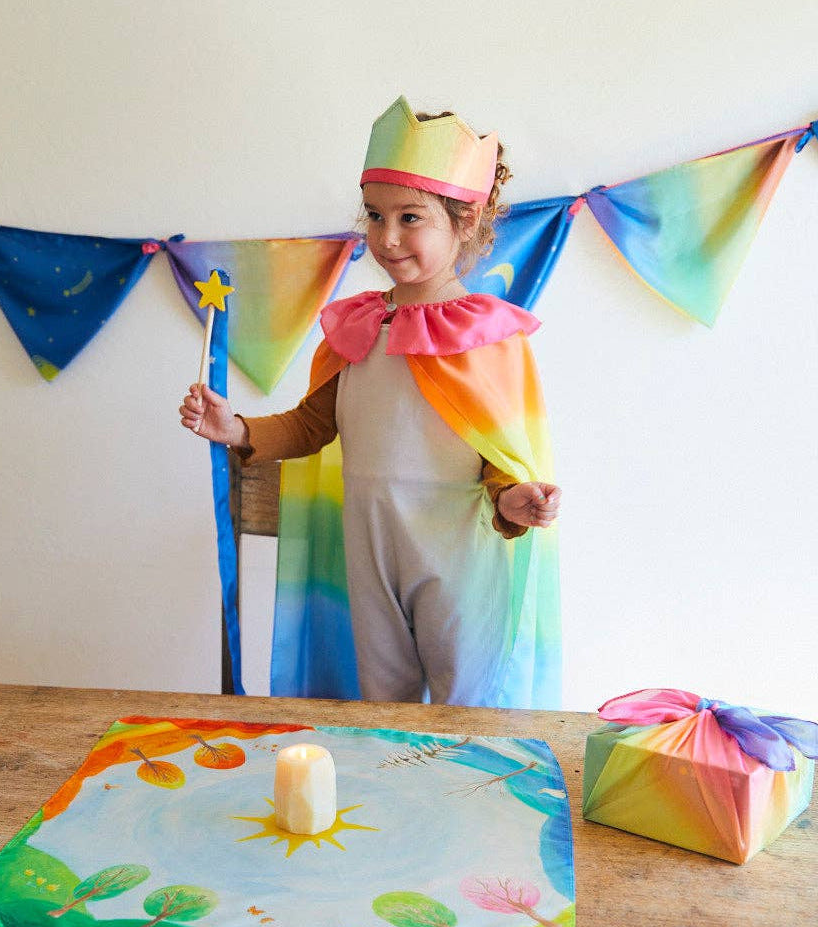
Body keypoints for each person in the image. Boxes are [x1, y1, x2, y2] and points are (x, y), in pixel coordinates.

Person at [180, 96, 561, 708]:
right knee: (382, 702)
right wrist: (238, 428)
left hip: (458, 552)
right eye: (375, 215)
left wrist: (515, 499)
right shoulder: (359, 326)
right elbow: (311, 425)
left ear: (465, 222)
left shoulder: (488, 337)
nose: (386, 237)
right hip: (368, 545)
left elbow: (502, 455)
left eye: (411, 217)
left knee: (467, 707)